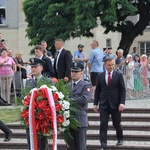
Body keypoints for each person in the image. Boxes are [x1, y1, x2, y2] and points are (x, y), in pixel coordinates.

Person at [93, 58, 126, 150]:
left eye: (112, 65)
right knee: (103, 124)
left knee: (117, 123)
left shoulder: (118, 75)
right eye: (109, 65)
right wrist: (95, 103)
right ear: (105, 65)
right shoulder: (100, 75)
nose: (111, 67)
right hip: (104, 104)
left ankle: (120, 138)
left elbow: (122, 90)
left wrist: (122, 103)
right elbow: (97, 90)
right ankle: (103, 145)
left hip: (115, 104)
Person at [25, 57, 53, 150]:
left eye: (35, 67)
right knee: (31, 143)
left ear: (41, 68)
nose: (33, 69)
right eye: (32, 67)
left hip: (43, 118)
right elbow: (24, 98)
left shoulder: (48, 81)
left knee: (42, 144)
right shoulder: (28, 82)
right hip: (30, 117)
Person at [67, 62, 92, 150]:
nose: (74, 73)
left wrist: (68, 101)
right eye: (72, 71)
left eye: (76, 72)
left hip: (80, 120)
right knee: (71, 147)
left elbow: (84, 100)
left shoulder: (86, 85)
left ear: (81, 73)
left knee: (81, 147)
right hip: (68, 120)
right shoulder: (67, 86)